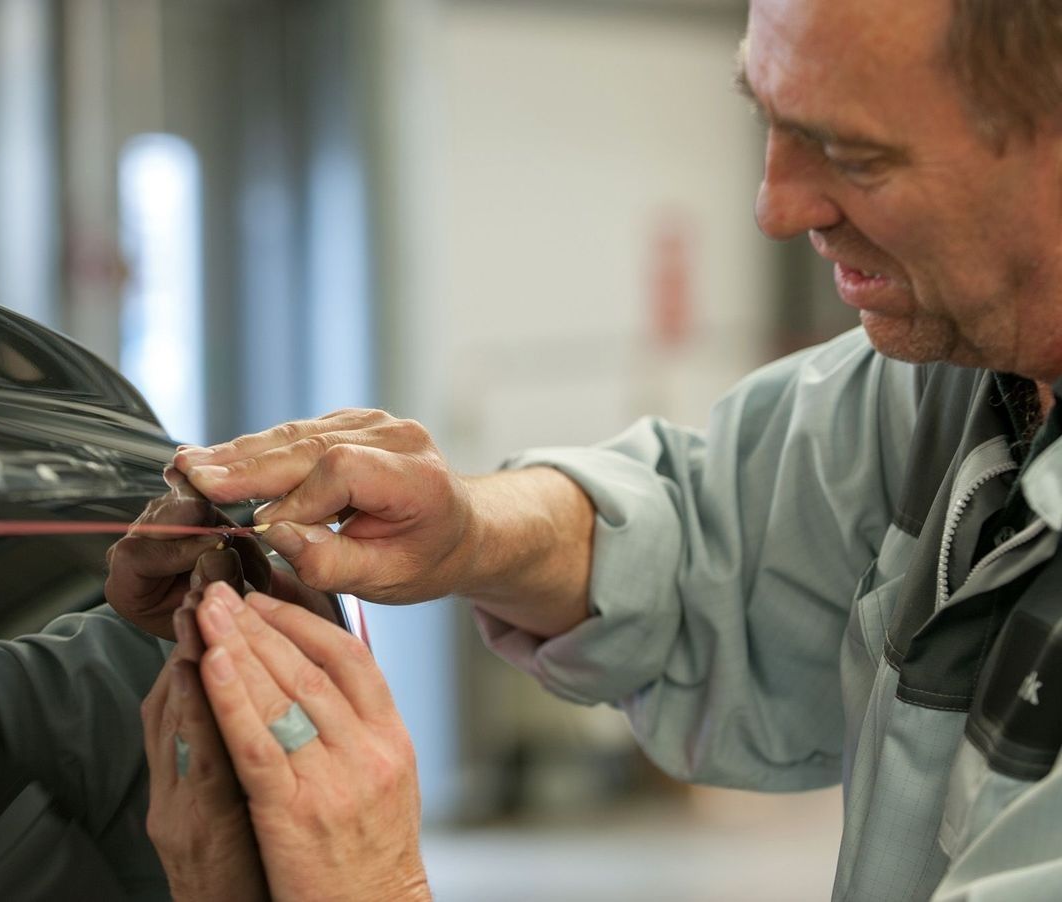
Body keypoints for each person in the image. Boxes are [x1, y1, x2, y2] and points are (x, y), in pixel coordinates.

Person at [108, 0, 1062, 898]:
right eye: (770, 116)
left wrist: (363, 878)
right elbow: (716, 542)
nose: (776, 206)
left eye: (855, 154)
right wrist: (469, 529)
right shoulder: (966, 379)